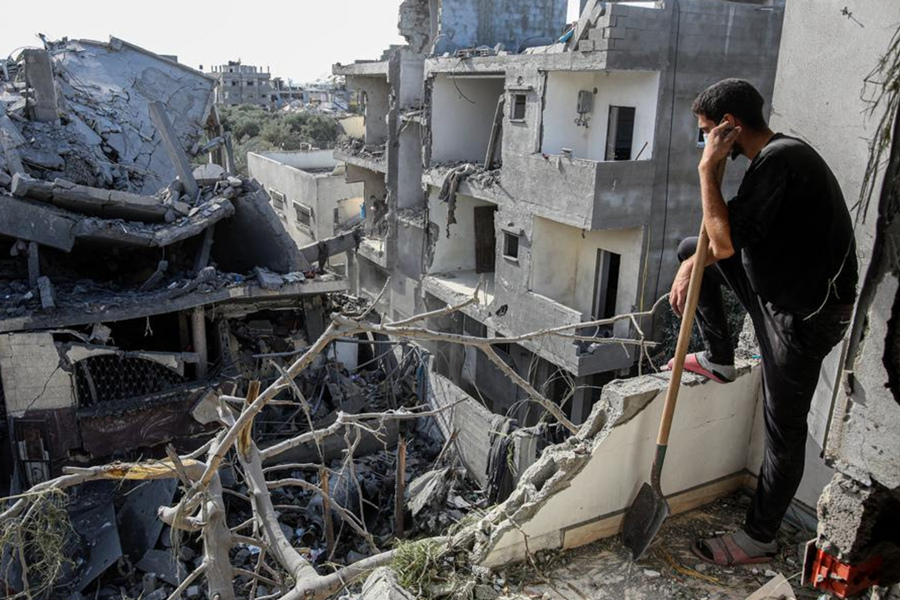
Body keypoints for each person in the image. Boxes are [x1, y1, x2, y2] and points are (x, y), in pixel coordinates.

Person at [670, 79, 858, 566]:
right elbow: (721, 236)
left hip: (804, 316)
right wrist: (695, 262)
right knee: (692, 250)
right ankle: (719, 358)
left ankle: (759, 538)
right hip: (778, 295)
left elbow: (726, 243)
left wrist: (707, 169)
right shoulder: (774, 160)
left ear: (730, 127)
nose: (706, 142)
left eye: (708, 132)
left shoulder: (780, 161)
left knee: (783, 431)